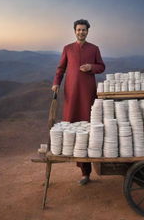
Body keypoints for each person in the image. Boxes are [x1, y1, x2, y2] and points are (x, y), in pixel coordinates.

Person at [51, 19, 105, 185]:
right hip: (71, 94)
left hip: (88, 94)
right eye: (79, 30)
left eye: (84, 30)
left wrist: (91, 67)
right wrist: (56, 83)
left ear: (88, 31)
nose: (81, 32)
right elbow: (61, 69)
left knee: (88, 129)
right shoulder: (67, 49)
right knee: (73, 127)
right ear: (75, 31)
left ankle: (87, 172)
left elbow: (102, 66)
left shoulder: (94, 49)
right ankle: (83, 172)